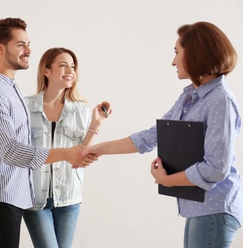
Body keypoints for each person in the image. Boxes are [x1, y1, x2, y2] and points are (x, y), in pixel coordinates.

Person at [81, 21, 242, 247]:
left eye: (177, 53)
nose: (173, 61)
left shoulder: (220, 100)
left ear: (196, 54)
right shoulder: (190, 97)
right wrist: (98, 149)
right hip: (201, 208)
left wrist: (167, 180)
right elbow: (152, 136)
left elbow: (216, 167)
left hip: (215, 208)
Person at [0, 18, 97, 248]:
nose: (28, 50)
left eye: (28, 44)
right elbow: (10, 150)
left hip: (14, 194)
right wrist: (65, 153)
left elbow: (7, 139)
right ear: (0, 48)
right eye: (20, 44)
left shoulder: (10, 88)